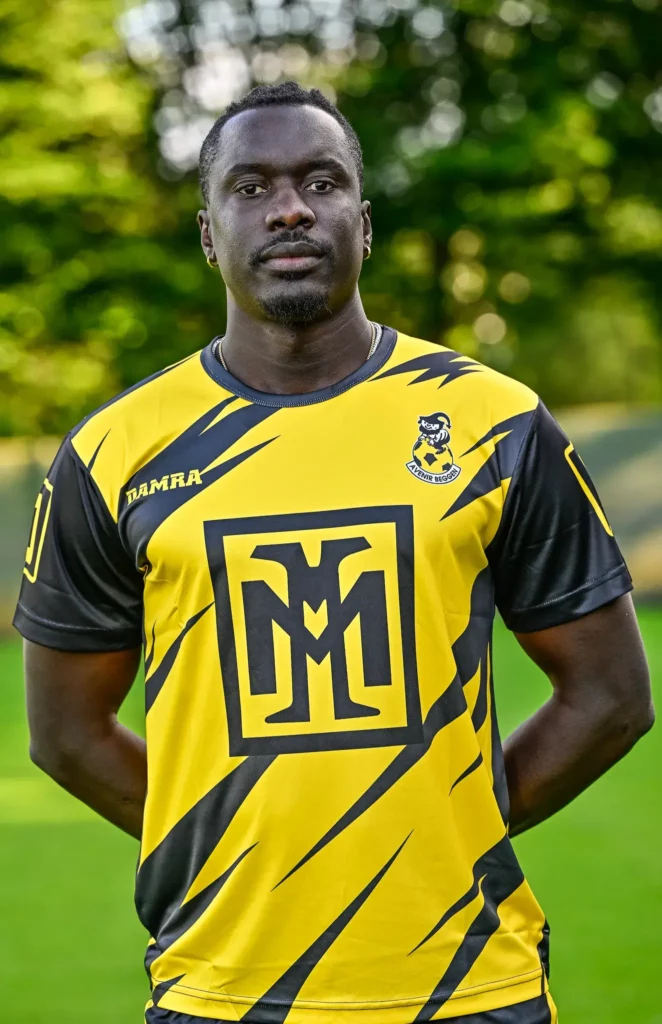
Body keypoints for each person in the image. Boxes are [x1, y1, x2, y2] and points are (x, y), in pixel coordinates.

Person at [14, 81, 653, 1024]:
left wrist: (449, 821)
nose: (289, 207)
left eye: (322, 180)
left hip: (469, 988)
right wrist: (219, 840)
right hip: (221, 992)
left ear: (365, 220)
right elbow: (65, 732)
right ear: (206, 233)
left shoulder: (493, 421)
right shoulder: (115, 452)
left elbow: (611, 698)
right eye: (250, 186)